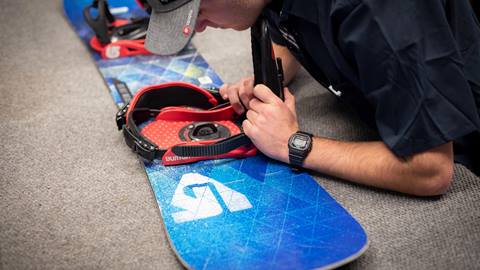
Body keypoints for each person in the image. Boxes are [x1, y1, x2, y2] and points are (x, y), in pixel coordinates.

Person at [144, 0, 480, 196]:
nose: (198, 28)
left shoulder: (377, 13)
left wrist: (292, 143)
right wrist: (265, 79)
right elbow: (285, 29)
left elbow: (432, 169)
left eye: (198, 9)